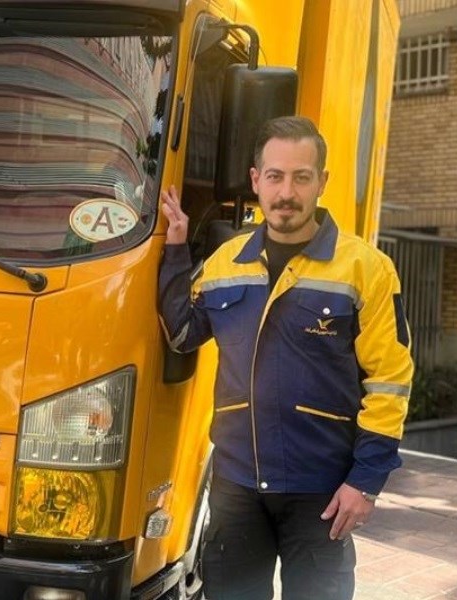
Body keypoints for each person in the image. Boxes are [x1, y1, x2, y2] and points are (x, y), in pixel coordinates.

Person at [158, 116, 413, 600]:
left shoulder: (366, 269)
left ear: (322, 182)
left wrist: (366, 482)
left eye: (301, 177)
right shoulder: (225, 263)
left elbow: (390, 380)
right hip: (237, 487)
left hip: (322, 492)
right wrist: (174, 250)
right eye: (275, 176)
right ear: (256, 180)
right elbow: (182, 334)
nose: (287, 192)